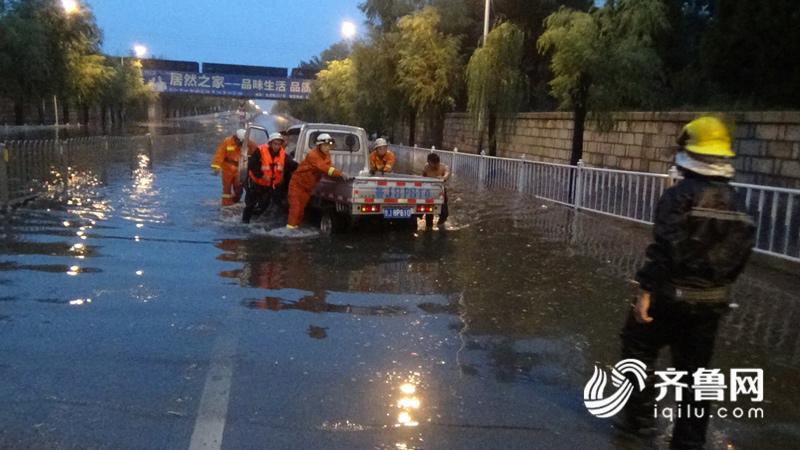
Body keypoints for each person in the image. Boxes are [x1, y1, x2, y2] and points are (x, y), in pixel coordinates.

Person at [617, 116, 755, 450]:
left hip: (669, 296)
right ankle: (689, 442)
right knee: (696, 375)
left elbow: (664, 250)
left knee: (637, 349)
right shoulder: (739, 203)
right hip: (711, 303)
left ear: (688, 154)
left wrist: (645, 292)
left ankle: (639, 422)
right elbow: (739, 256)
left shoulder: (678, 197)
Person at [286, 133, 347, 229]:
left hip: (307, 187)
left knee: (301, 211)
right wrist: (339, 173)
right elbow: (324, 168)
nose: (328, 148)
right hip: (297, 185)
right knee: (295, 209)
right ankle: (289, 232)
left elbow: (329, 167)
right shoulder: (313, 155)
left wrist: (338, 173)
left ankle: (295, 228)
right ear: (319, 145)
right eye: (326, 145)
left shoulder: (327, 155)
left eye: (329, 145)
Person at [242, 132, 287, 223]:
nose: (277, 146)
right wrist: (262, 175)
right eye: (275, 144)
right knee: (250, 204)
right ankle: (244, 222)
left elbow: (290, 163)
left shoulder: (283, 153)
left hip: (268, 185)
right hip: (255, 182)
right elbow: (252, 165)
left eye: (279, 144)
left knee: (264, 205)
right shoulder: (260, 150)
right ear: (270, 143)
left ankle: (254, 217)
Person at [210, 129, 248, 206]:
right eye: (239, 142)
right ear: (236, 138)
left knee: (239, 187)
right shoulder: (227, 142)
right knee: (226, 189)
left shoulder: (245, 143)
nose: (240, 144)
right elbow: (219, 154)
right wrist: (216, 167)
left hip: (239, 169)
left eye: (242, 142)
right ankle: (226, 205)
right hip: (227, 169)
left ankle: (235, 200)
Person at [422, 153, 450, 228]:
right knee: (429, 213)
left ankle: (440, 224)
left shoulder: (443, 167)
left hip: (440, 191)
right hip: (429, 191)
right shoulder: (426, 167)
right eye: (431, 163)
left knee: (444, 213)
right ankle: (429, 228)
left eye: (435, 164)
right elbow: (423, 177)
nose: (434, 166)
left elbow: (447, 174)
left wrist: (443, 177)